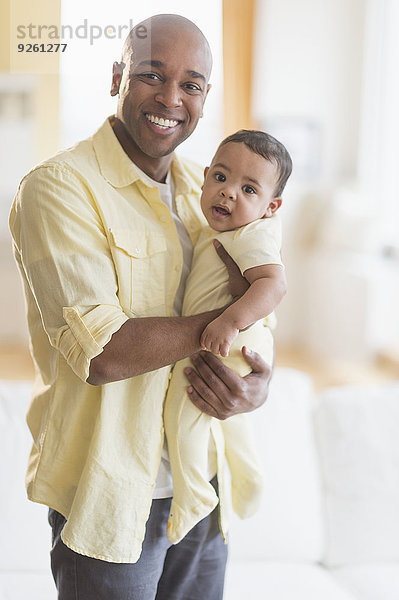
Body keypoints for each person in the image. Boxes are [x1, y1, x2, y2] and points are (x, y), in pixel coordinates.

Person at [9, 13, 273, 600]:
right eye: (152, 75)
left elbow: (254, 308)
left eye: (192, 85)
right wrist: (232, 324)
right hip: (113, 496)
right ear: (117, 76)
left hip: (201, 483)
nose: (171, 98)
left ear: (205, 98)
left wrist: (254, 383)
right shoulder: (58, 187)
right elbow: (102, 351)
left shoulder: (202, 191)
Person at [165, 129, 291, 544]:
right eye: (221, 178)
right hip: (238, 343)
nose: (228, 193)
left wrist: (229, 321)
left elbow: (273, 285)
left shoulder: (253, 234)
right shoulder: (222, 231)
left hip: (228, 342)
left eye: (248, 188)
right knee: (231, 425)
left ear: (270, 207)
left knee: (181, 417)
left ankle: (194, 497)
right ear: (204, 177)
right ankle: (249, 480)